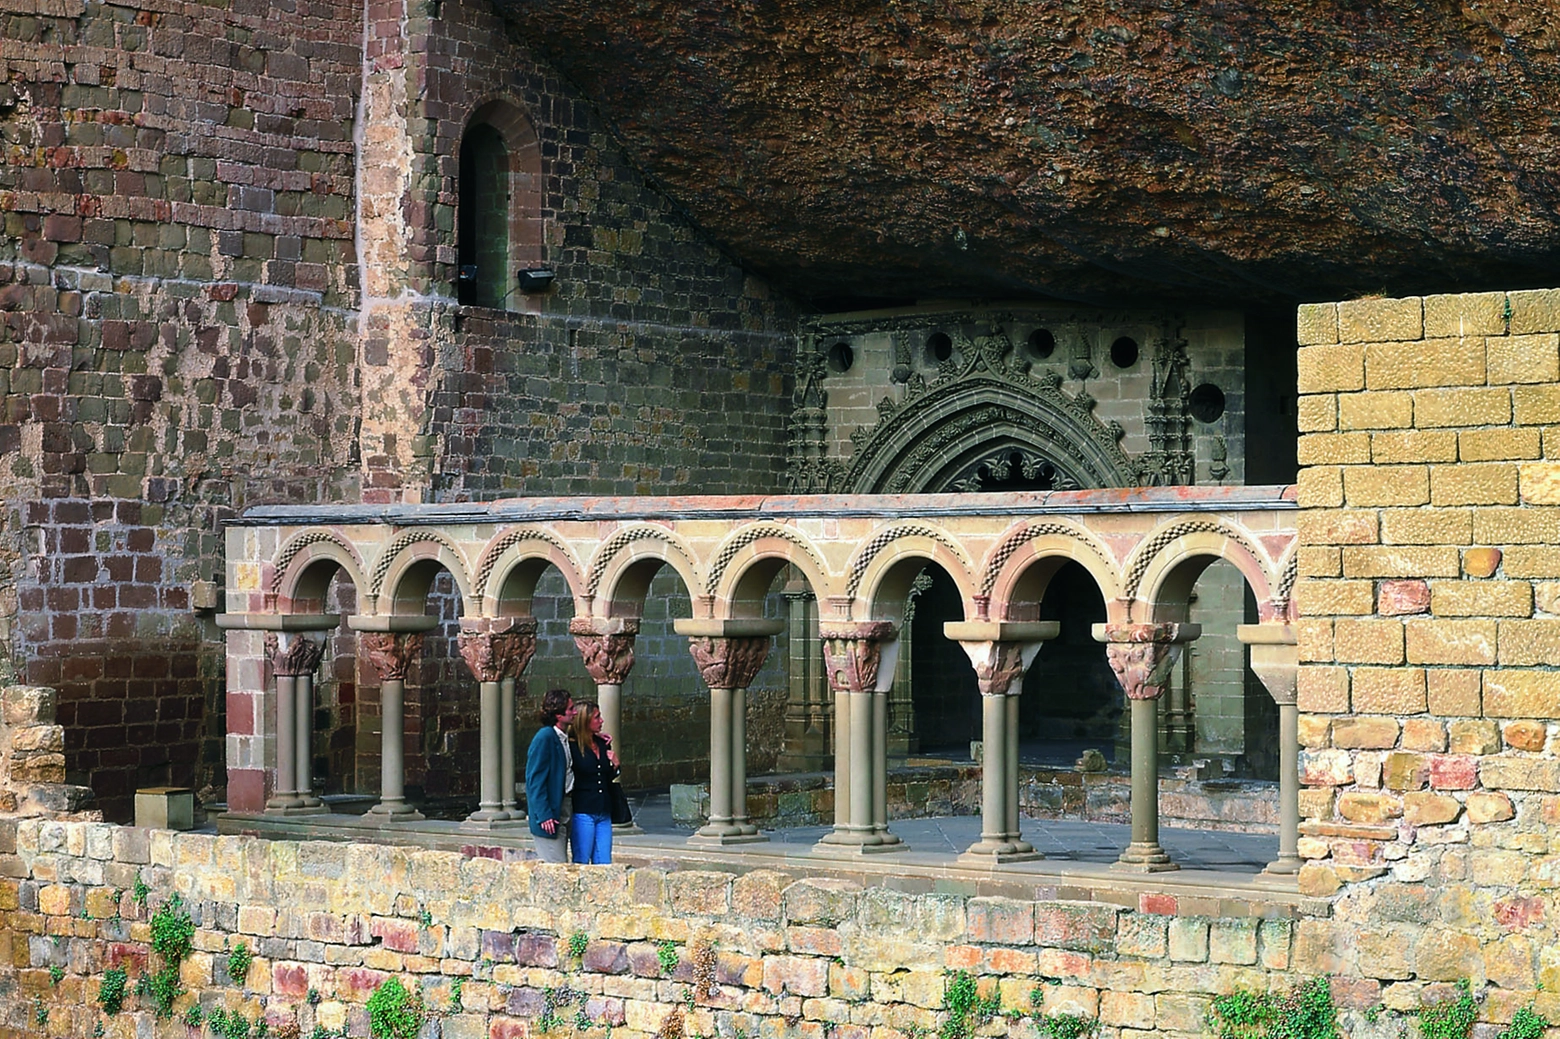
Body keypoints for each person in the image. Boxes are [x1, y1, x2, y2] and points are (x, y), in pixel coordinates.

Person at [525, 689, 576, 862]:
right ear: (559, 715)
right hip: (551, 813)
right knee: (556, 867)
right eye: (571, 709)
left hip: (566, 805)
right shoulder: (545, 737)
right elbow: (534, 781)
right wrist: (544, 814)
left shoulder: (564, 736)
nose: (575, 712)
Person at [566, 701, 620, 864]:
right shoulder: (572, 747)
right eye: (597, 718)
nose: (601, 721)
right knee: (582, 860)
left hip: (603, 809)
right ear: (585, 721)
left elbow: (604, 776)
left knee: (604, 861)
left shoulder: (602, 744)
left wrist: (615, 766)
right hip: (583, 810)